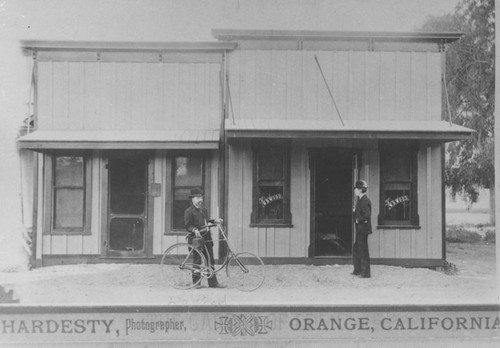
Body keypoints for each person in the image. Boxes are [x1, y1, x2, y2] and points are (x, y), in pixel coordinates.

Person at [184, 188, 226, 288]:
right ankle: (196, 283)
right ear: (192, 199)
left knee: (210, 260)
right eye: (198, 198)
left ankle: (213, 283)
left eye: (201, 197)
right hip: (196, 239)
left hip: (207, 238)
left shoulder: (203, 209)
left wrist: (214, 220)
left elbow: (206, 222)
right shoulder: (189, 211)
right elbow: (187, 225)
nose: (200, 200)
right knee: (197, 261)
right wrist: (194, 229)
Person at [352, 180, 372, 278]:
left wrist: (357, 220)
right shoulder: (360, 200)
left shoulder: (364, 201)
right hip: (360, 229)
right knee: (356, 249)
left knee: (363, 251)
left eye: (356, 188)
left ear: (360, 190)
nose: (355, 190)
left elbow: (367, 215)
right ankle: (358, 270)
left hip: (363, 229)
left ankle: (366, 273)